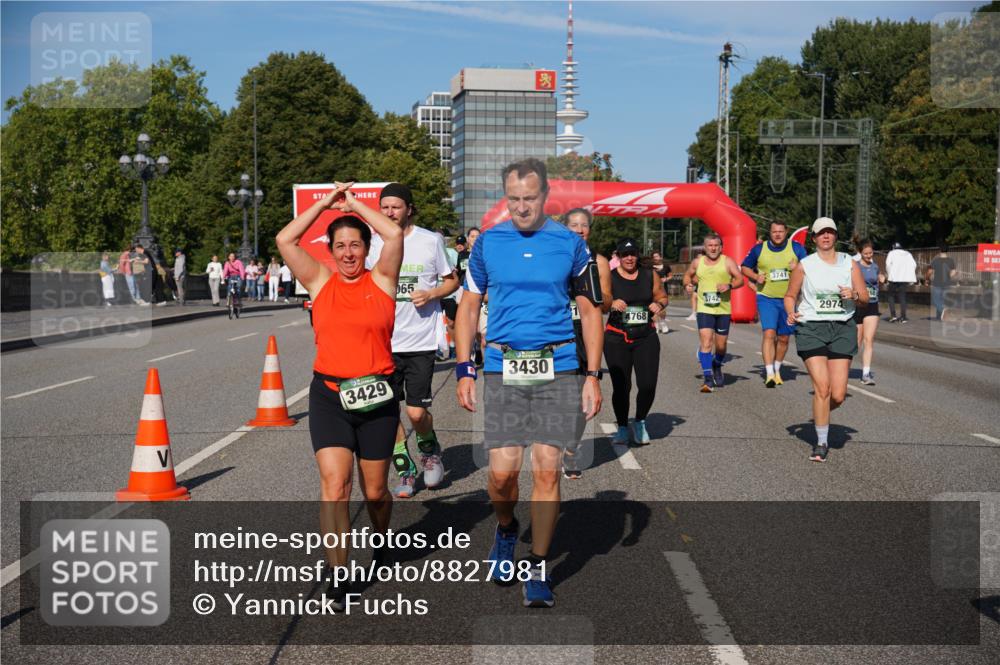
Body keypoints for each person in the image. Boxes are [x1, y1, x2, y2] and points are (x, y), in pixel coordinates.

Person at [455, 158, 603, 608]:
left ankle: (537, 567)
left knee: (544, 467)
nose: (522, 207)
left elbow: (592, 311)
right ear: (506, 197)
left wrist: (592, 376)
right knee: (501, 475)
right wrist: (465, 367)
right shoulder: (488, 245)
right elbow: (467, 306)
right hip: (503, 366)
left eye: (530, 198)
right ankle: (505, 529)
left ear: (545, 197)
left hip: (557, 365)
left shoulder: (569, 244)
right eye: (514, 198)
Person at [276, 180, 403, 608]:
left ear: (367, 248)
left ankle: (381, 539)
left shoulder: (383, 280)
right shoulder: (319, 282)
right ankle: (338, 574)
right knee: (335, 486)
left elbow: (395, 234)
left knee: (375, 493)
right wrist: (326, 205)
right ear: (328, 250)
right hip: (329, 397)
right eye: (340, 245)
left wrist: (356, 206)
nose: (348, 253)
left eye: (355, 245)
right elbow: (284, 239)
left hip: (377, 400)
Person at [365, 183, 459, 499]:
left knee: (416, 413)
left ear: (409, 209)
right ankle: (405, 469)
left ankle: (430, 450)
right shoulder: (372, 244)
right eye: (385, 207)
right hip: (381, 342)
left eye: (396, 207)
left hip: (419, 341)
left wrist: (431, 293)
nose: (390, 212)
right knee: (387, 412)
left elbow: (451, 281)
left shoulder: (430, 241)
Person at [785, 217, 867, 462]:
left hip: (842, 327)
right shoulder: (805, 265)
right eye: (821, 233)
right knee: (822, 387)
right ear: (814, 238)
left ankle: (820, 412)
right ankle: (821, 442)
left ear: (835, 236)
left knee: (838, 395)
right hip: (811, 327)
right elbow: (791, 295)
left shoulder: (849, 263)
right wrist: (791, 311)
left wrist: (853, 294)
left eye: (830, 232)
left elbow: (864, 297)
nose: (826, 237)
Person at [561, 208, 612, 478]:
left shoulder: (599, 261)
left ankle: (570, 450)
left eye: (584, 225)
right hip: (557, 330)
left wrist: (588, 292)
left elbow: (605, 302)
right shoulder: (554, 258)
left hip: (585, 331)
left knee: (581, 398)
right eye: (573, 225)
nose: (579, 230)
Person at [605, 238, 668, 444]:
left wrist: (659, 304)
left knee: (648, 385)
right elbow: (601, 302)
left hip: (645, 336)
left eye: (633, 254)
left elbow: (662, 296)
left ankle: (640, 421)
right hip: (617, 337)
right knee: (622, 386)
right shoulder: (610, 277)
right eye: (625, 255)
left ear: (637, 256)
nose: (629, 258)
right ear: (619, 257)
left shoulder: (650, 275)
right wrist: (612, 302)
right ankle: (622, 426)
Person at [740, 221, 807, 387]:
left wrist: (797, 267)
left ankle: (777, 369)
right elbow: (744, 267)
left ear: (786, 232)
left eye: (780, 231)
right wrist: (756, 277)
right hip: (766, 297)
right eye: (774, 231)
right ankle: (769, 373)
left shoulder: (797, 248)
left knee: (784, 338)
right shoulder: (759, 249)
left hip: (788, 299)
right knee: (769, 333)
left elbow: (810, 269)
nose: (777, 234)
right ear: (770, 232)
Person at [683, 233, 744, 393]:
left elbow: (740, 279)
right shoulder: (698, 262)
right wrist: (687, 286)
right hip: (704, 309)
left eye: (716, 245)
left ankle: (717, 365)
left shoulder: (727, 261)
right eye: (710, 245)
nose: (713, 248)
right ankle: (708, 378)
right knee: (706, 342)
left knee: (721, 346)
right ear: (705, 247)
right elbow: (687, 276)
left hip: (723, 309)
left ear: (721, 247)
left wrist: (729, 285)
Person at [854, 239, 885, 385]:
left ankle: (866, 374)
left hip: (872, 305)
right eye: (866, 253)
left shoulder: (875, 267)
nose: (868, 255)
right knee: (856, 342)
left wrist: (881, 278)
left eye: (870, 253)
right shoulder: (855, 267)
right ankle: (840, 368)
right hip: (858, 305)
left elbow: (878, 280)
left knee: (869, 340)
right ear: (860, 253)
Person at [441, 235, 469, 360]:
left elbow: (458, 270)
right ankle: (439, 349)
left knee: (455, 321)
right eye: (458, 243)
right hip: (437, 291)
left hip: (457, 291)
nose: (459, 245)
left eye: (462, 243)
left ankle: (461, 347)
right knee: (440, 322)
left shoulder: (455, 253)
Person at [885, 241, 916, 323]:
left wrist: (889, 274)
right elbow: (914, 265)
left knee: (891, 296)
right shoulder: (908, 254)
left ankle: (893, 315)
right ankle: (903, 317)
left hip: (893, 278)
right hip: (904, 279)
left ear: (893, 247)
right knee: (902, 297)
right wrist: (910, 276)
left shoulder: (891, 253)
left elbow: (887, 265)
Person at [927, 245, 957, 321]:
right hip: (947, 283)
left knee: (935, 300)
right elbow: (953, 272)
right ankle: (939, 317)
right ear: (947, 251)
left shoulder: (935, 260)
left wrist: (927, 278)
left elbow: (930, 272)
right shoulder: (951, 260)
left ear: (940, 250)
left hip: (937, 283)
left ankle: (943, 310)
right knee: (942, 301)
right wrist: (949, 276)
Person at [651, 251, 672, 333]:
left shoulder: (666, 266)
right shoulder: (650, 267)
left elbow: (670, 275)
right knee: (654, 307)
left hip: (663, 288)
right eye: (654, 257)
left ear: (660, 257)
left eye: (657, 256)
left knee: (662, 306)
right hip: (652, 289)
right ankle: (656, 325)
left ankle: (663, 323)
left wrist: (666, 279)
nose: (655, 258)